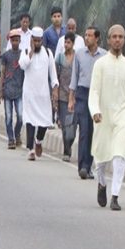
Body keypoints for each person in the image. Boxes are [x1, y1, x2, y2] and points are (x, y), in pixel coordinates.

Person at [88, 25, 125, 211]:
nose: (117, 40)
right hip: (103, 116)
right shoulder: (100, 64)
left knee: (119, 156)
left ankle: (115, 195)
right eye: (114, 37)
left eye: (121, 37)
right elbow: (94, 91)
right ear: (108, 40)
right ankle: (101, 183)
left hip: (123, 117)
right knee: (100, 158)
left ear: (124, 40)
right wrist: (95, 111)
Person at [69, 27, 106, 179]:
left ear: (97, 38)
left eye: (90, 35)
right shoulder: (79, 54)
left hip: (98, 95)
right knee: (84, 131)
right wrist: (71, 98)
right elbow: (74, 77)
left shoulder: (104, 56)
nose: (87, 38)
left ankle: (89, 165)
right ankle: (82, 166)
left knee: (94, 132)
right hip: (83, 94)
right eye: (85, 35)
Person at [20, 27, 59, 161]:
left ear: (42, 40)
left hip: (43, 94)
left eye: (38, 41)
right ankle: (30, 149)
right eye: (34, 41)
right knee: (30, 120)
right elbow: (22, 65)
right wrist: (30, 52)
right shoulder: (25, 51)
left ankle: (39, 141)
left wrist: (55, 89)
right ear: (31, 40)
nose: (37, 43)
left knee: (44, 121)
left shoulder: (48, 53)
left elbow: (53, 73)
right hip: (29, 94)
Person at [0, 29, 25, 148]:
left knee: (20, 117)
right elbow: (3, 73)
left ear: (19, 41)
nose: (15, 42)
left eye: (17, 40)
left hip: (19, 90)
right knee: (8, 116)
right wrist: (1, 90)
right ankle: (11, 139)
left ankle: (17, 133)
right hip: (8, 90)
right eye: (13, 40)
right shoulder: (6, 55)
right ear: (10, 41)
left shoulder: (23, 54)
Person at [55, 32, 77, 161]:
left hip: (74, 95)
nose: (67, 45)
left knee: (72, 126)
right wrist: (55, 93)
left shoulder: (77, 58)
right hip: (62, 96)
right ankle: (66, 151)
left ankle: (69, 143)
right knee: (64, 124)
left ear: (73, 44)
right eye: (65, 42)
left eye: (69, 42)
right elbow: (56, 77)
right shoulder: (59, 58)